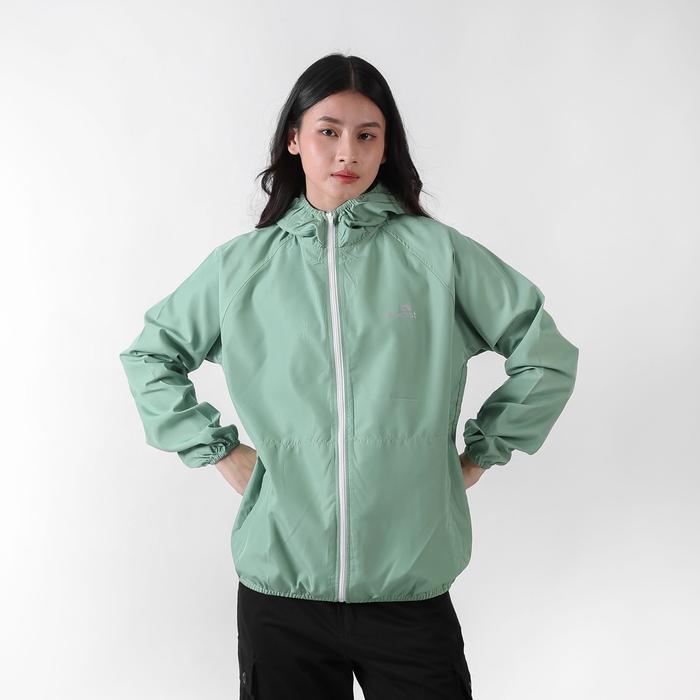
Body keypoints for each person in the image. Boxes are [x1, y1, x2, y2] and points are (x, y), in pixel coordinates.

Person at [119, 53, 579, 699]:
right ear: (294, 138)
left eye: (368, 135)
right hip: (281, 590)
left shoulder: (437, 254)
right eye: (328, 131)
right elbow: (151, 356)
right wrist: (218, 450)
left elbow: (545, 353)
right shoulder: (241, 267)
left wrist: (482, 453)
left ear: (386, 147)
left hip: (409, 587)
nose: (348, 152)